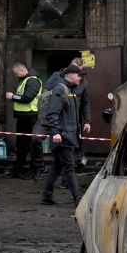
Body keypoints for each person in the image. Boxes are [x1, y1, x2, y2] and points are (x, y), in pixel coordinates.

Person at [41, 63, 86, 205]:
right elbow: (53, 113)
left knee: (57, 166)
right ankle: (77, 198)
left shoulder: (71, 90)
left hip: (67, 134)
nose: (80, 79)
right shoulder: (61, 89)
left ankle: (46, 196)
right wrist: (55, 132)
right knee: (69, 166)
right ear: (71, 75)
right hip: (63, 136)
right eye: (79, 75)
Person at [5, 61, 43, 179]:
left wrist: (13, 97)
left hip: (31, 117)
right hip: (23, 117)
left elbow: (27, 98)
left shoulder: (33, 81)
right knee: (21, 145)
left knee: (32, 145)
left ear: (22, 70)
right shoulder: (24, 80)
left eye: (16, 73)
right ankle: (19, 169)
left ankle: (35, 170)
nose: (15, 76)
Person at [45, 57, 92, 140]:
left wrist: (87, 120)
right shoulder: (56, 77)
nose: (78, 74)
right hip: (56, 118)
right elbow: (47, 96)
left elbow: (85, 101)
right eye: (75, 70)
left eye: (79, 71)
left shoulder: (83, 82)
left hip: (73, 118)